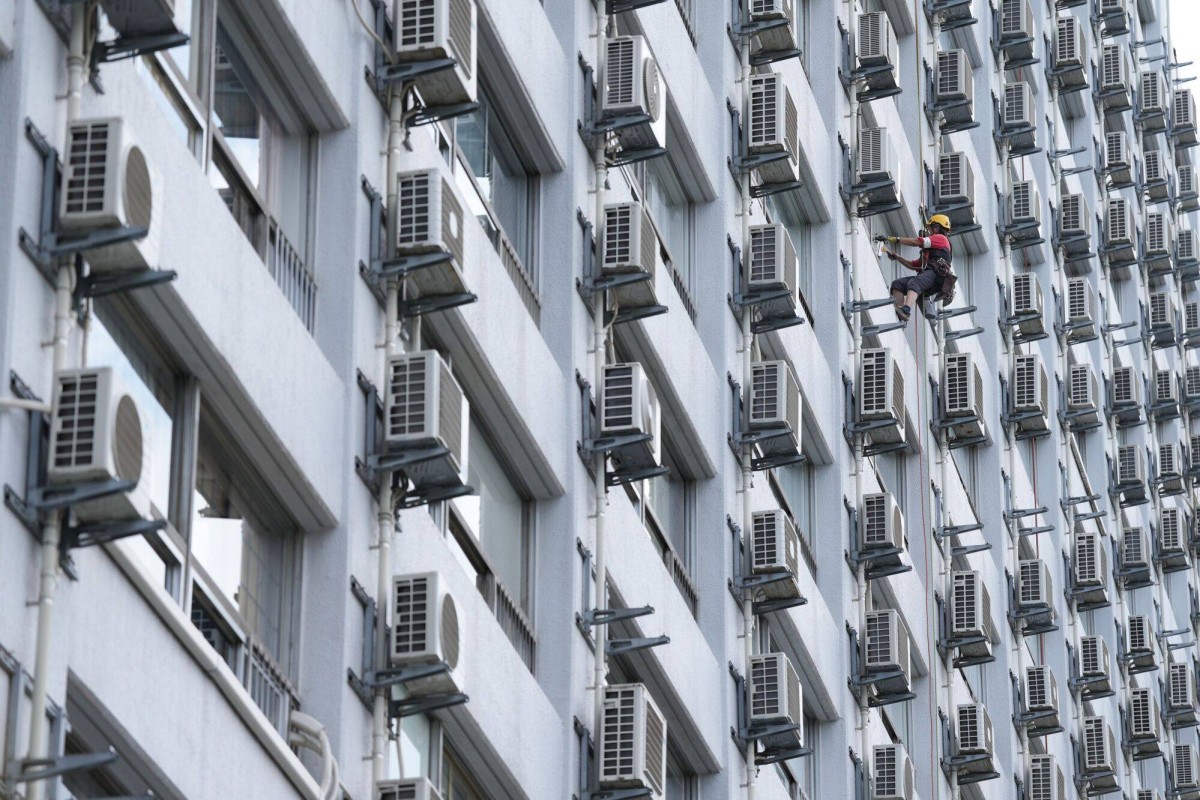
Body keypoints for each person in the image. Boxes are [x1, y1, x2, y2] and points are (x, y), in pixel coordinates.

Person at [874, 214, 957, 324]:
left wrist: (895, 239)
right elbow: (913, 265)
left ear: (936, 227)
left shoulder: (941, 239)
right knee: (897, 285)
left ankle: (906, 310)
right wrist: (898, 257)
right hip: (932, 276)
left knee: (915, 283)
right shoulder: (929, 253)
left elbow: (918, 241)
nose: (929, 232)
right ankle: (900, 316)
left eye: (930, 229)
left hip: (937, 275)